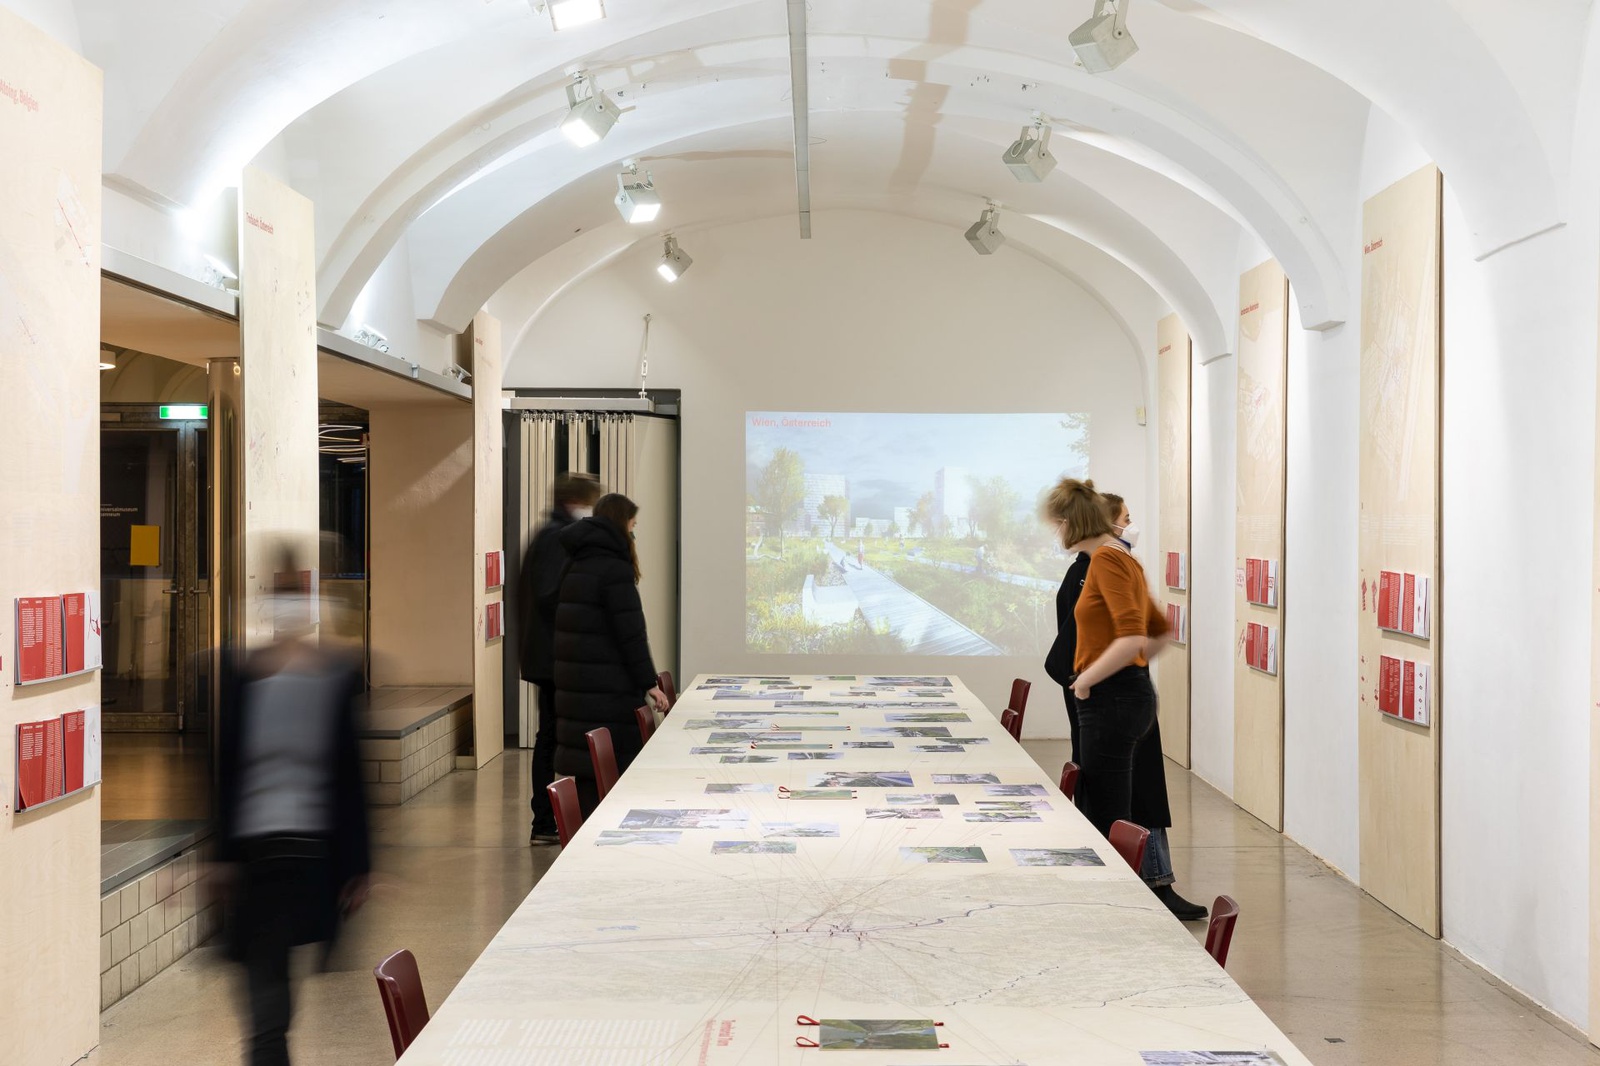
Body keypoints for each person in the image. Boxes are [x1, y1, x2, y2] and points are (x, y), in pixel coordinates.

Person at [216, 548, 371, 1066]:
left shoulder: (252, 676)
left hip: (275, 856)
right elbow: (348, 780)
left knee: (268, 1006)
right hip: (292, 855)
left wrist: (358, 865)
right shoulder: (325, 676)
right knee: (271, 1007)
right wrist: (359, 865)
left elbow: (227, 776)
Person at [1099, 491, 1209, 922]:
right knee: (1136, 797)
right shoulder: (1102, 568)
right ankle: (1153, 884)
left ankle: (1157, 881)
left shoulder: (1117, 565)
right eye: (1126, 518)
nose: (1132, 525)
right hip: (1120, 701)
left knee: (1142, 795)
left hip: (1128, 697)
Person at [553, 493, 668, 814]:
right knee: (613, 773)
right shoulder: (614, 569)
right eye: (632, 525)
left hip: (578, 687)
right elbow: (631, 635)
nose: (633, 532)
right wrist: (649, 683)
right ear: (621, 524)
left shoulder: (575, 561)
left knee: (590, 775)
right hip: (608, 691)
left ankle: (586, 838)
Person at [516, 472, 603, 845]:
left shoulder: (552, 533)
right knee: (551, 737)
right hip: (553, 657)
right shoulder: (557, 536)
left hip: (550, 654)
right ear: (577, 502)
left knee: (552, 735)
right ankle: (544, 820)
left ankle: (550, 818)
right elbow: (551, 594)